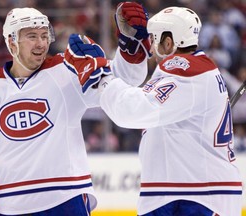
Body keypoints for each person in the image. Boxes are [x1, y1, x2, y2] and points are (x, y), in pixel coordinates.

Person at [0, 5, 149, 215]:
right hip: (11, 204)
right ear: (12, 41)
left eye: (44, 35)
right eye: (32, 36)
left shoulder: (66, 68)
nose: (41, 43)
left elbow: (125, 79)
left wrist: (130, 45)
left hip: (66, 198)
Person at [64, 6, 243, 216]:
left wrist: (100, 75)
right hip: (181, 190)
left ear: (169, 43)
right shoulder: (191, 70)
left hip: (196, 196)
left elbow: (131, 111)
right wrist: (129, 52)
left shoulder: (187, 72)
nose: (152, 47)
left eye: (155, 39)